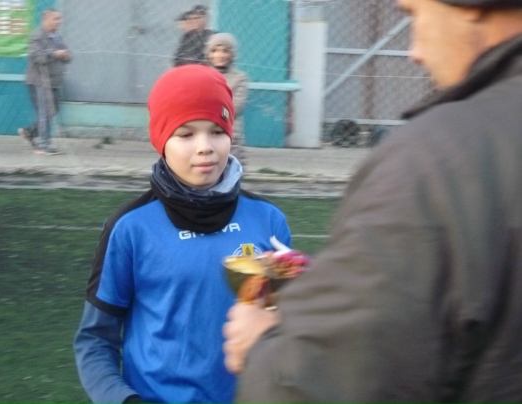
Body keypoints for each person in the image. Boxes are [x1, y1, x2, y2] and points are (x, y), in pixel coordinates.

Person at [223, 0, 522, 402]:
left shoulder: (436, 160)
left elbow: (323, 384)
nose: (414, 52)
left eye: (414, 15)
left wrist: (262, 347)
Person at [73, 64, 292, 404]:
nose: (205, 147)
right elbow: (95, 341)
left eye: (217, 131)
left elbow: (283, 328)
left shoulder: (268, 221)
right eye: (186, 134)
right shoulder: (130, 228)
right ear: (161, 141)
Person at [18, 8, 71, 155]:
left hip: (53, 82)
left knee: (53, 109)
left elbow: (69, 55)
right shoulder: (37, 36)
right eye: (56, 19)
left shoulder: (57, 37)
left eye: (60, 19)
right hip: (39, 82)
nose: (59, 22)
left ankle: (29, 132)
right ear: (46, 19)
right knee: (44, 111)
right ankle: (43, 145)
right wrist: (55, 54)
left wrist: (66, 55)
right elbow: (36, 56)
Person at [205, 33, 249, 167]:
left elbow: (235, 108)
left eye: (225, 51)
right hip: (204, 133)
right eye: (215, 51)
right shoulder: (202, 75)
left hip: (229, 134)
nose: (220, 55)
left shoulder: (239, 78)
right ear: (209, 54)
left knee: (231, 170)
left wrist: (214, 114)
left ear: (232, 54)